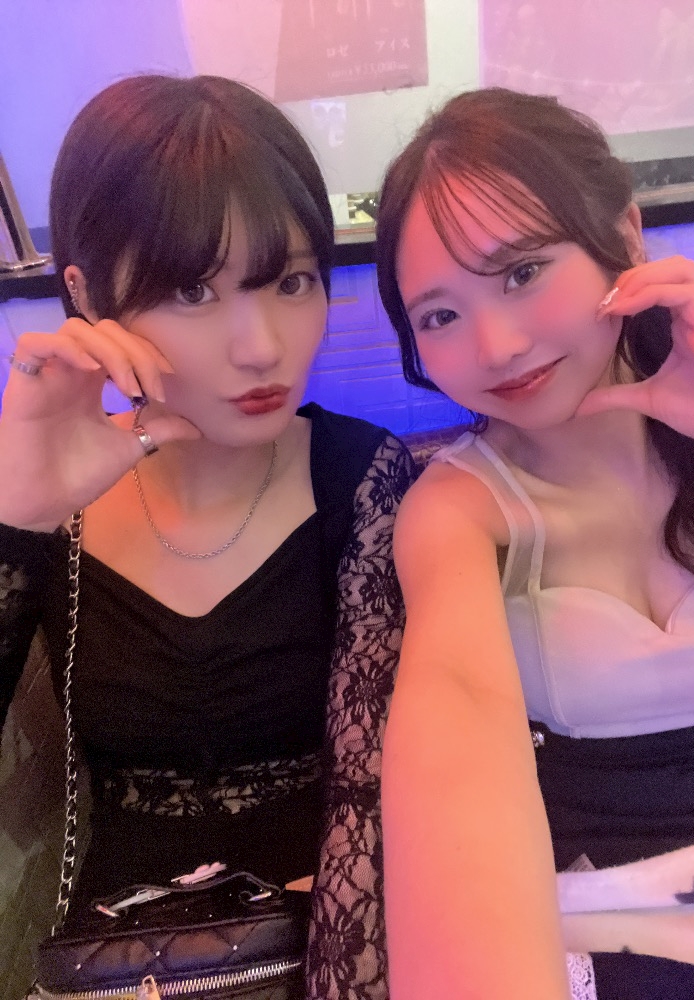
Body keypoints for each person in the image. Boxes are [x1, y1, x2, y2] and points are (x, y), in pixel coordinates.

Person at [0, 74, 415, 1000]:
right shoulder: (44, 502)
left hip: (324, 950)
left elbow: (372, 797)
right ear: (85, 294)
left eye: (291, 281)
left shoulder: (362, 478)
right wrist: (17, 516)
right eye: (193, 289)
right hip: (117, 972)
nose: (261, 345)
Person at [375, 86, 694, 999]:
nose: (498, 345)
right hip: (602, 930)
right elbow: (456, 722)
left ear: (624, 235)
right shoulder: (458, 510)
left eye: (522, 273)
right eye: (440, 316)